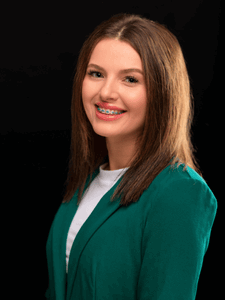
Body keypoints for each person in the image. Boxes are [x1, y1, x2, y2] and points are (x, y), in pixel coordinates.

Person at [45, 13, 217, 300]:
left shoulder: (179, 192)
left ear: (162, 91)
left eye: (130, 79)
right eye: (96, 73)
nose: (106, 92)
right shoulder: (88, 180)